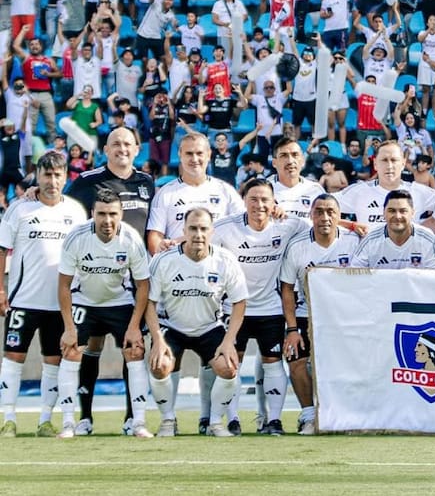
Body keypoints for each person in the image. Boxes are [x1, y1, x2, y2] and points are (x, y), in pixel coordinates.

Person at [65, 127, 155, 436]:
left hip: (133, 283)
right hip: (93, 279)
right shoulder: (86, 182)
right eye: (116, 143)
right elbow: (64, 211)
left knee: (134, 347)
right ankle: (84, 418)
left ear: (137, 148)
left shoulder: (147, 183)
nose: (122, 148)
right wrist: (33, 191)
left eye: (127, 143)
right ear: (106, 148)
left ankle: (134, 418)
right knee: (91, 346)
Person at [0, 152, 87, 438]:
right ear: (37, 176)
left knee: (53, 362)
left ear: (65, 177)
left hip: (58, 305)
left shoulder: (75, 212)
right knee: (13, 358)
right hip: (23, 300)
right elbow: (2, 250)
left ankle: (45, 421)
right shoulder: (19, 209)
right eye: (46, 175)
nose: (51, 181)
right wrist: (1, 288)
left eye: (57, 175)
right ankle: (8, 419)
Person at [212, 179, 308, 436]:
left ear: (274, 201)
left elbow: (323, 225)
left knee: (273, 363)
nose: (259, 205)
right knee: (232, 365)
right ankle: (232, 420)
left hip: (271, 309)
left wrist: (353, 225)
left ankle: (274, 420)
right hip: (235, 310)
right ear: (244, 201)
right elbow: (197, 236)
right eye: (253, 199)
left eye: (265, 199)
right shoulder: (224, 228)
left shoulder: (288, 224)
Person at [145, 208, 249, 438]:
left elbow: (240, 302)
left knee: (229, 368)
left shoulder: (225, 260)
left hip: (209, 327)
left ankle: (215, 423)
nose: (198, 234)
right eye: (193, 228)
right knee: (159, 365)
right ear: (184, 231)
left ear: (212, 232)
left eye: (203, 229)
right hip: (172, 326)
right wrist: (157, 340)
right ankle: (168, 420)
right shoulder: (163, 260)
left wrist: (229, 341)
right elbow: (148, 303)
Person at [280, 194, 361, 434]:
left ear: (339, 216)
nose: (325, 217)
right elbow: (286, 288)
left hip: (344, 316)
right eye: (319, 212)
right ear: (311, 215)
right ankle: (307, 415)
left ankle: (343, 415)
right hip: (308, 313)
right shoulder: (297, 246)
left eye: (330, 212)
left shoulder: (354, 241)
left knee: (345, 365)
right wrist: (293, 329)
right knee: (296, 359)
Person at [146, 132, 244, 255]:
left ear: (209, 155)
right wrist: (162, 259)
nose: (194, 159)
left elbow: (243, 227)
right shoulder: (165, 193)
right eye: (189, 153)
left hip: (217, 266)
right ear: (180, 155)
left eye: (199, 153)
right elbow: (155, 237)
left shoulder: (226, 190)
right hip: (179, 265)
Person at [335, 141, 435, 229]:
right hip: (371, 253)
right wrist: (352, 226)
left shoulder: (418, 192)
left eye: (394, 160)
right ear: (375, 164)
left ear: (403, 164)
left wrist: (420, 233)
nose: (389, 166)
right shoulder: (359, 191)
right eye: (384, 160)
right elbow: (323, 205)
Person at [351, 189, 435, 268]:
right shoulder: (370, 239)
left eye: (403, 211)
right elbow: (355, 273)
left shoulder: (427, 239)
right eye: (392, 211)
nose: (397, 216)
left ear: (413, 213)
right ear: (384, 213)